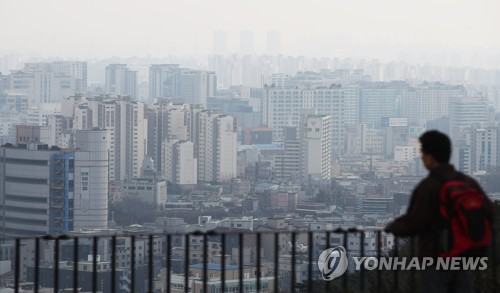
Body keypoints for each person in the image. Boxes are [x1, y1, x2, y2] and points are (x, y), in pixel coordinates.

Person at [385, 130, 493, 293]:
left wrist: (392, 228)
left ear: (430, 157)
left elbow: (415, 221)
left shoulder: (429, 185)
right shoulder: (468, 182)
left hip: (437, 258)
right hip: (465, 258)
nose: (421, 157)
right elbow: (488, 212)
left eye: (423, 153)